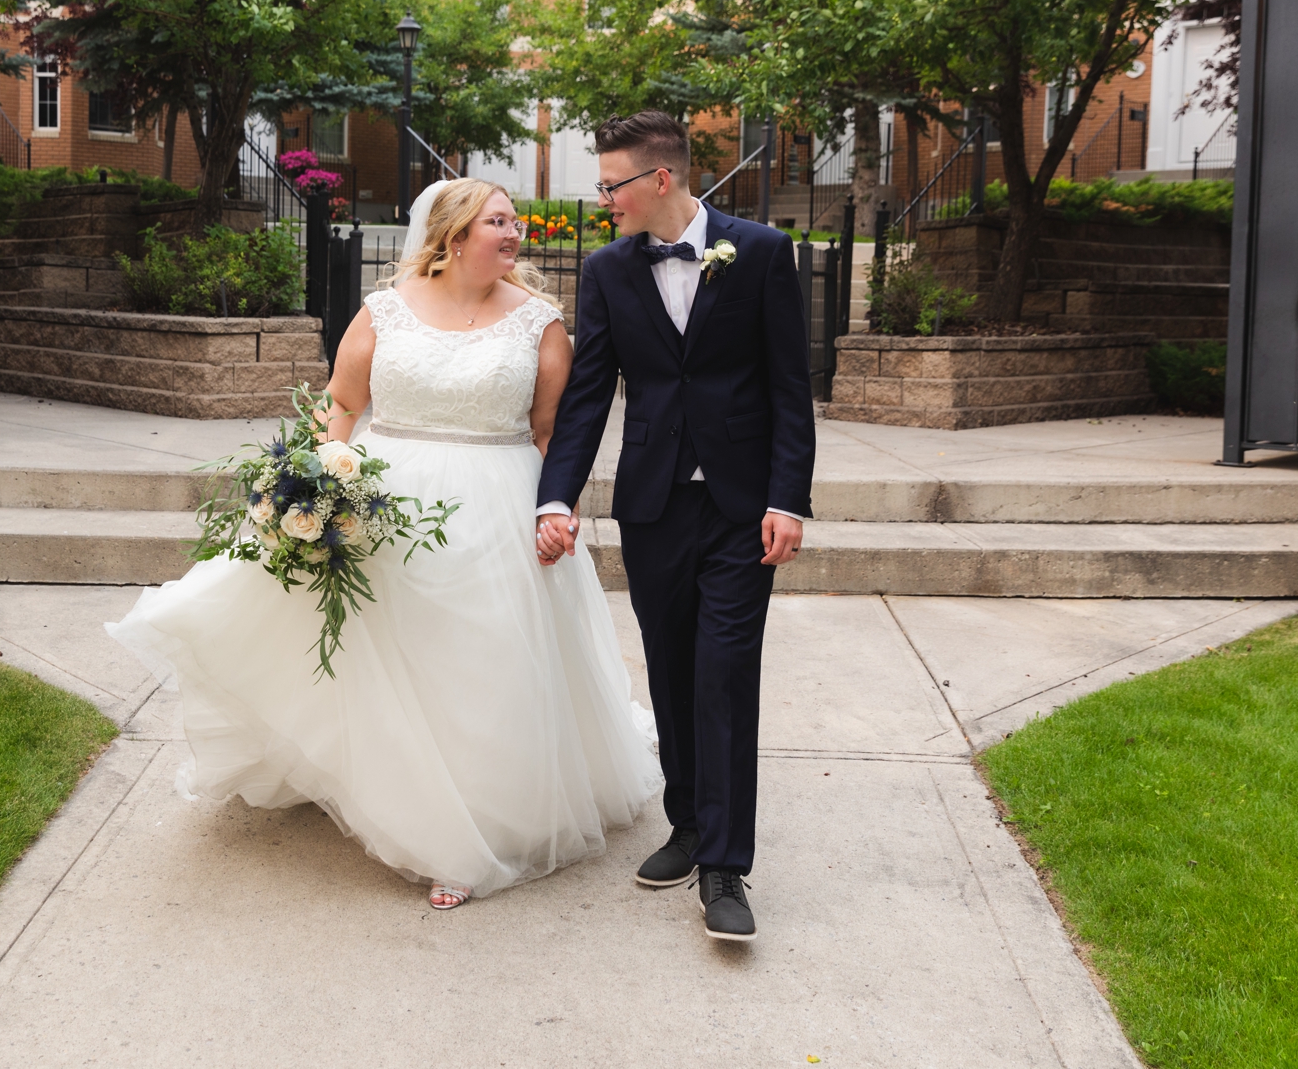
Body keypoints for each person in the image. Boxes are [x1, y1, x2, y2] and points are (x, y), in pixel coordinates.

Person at [107, 177, 662, 910]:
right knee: (395, 656)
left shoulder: (540, 325)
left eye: (515, 220)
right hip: (387, 499)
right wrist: (307, 488)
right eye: (498, 220)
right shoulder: (385, 312)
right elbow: (342, 408)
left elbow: (549, 432)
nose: (516, 231)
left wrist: (558, 510)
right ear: (455, 235)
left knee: (481, 663)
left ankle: (469, 834)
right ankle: (394, 792)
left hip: (498, 503)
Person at [536, 110, 816, 943]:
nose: (601, 198)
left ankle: (726, 866)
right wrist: (557, 497)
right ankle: (688, 824)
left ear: (661, 178)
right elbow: (588, 394)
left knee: (725, 674)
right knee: (671, 670)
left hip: (740, 508)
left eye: (611, 183)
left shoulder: (760, 252)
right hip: (654, 504)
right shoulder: (608, 270)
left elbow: (787, 389)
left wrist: (787, 498)